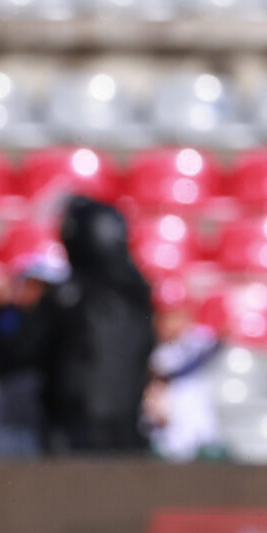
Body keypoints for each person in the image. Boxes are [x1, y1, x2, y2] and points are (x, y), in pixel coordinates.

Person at [24, 196, 158, 451]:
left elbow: (26, 350)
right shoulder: (138, 294)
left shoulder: (68, 296)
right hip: (126, 429)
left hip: (74, 431)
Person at [0, 251, 65, 457]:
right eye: (31, 283)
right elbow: (6, 351)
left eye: (42, 286)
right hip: (12, 395)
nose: (35, 291)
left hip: (43, 400)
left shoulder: (57, 317)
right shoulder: (8, 314)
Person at [145, 302, 225, 461]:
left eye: (176, 316)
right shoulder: (158, 352)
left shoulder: (200, 341)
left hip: (204, 434)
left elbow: (216, 342)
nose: (170, 323)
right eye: (165, 317)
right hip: (172, 436)